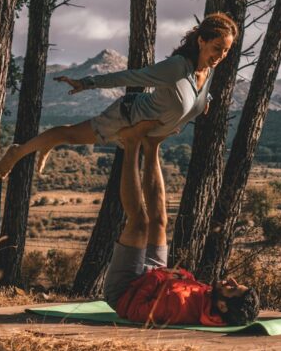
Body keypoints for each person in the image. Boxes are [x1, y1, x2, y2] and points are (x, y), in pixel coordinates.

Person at [0, 12, 239, 178]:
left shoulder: (208, 70)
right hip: (126, 117)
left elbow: (197, 93)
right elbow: (130, 77)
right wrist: (86, 82)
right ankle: (18, 151)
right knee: (69, 134)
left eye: (226, 50)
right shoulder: (176, 67)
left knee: (69, 136)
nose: (220, 55)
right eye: (217, 48)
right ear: (201, 41)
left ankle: (47, 144)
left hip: (145, 133)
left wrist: (204, 101)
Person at [104, 133, 260, 326]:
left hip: (126, 289)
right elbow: (181, 284)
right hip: (155, 276)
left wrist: (162, 275)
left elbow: (133, 310)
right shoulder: (210, 298)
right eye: (237, 284)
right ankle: (152, 145)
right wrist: (172, 275)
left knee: (139, 224)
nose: (232, 281)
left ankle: (130, 144)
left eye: (233, 289)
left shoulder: (181, 308)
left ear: (223, 306)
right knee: (160, 221)